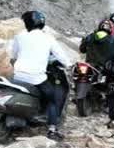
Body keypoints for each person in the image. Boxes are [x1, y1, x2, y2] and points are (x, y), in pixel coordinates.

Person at [11, 11, 71, 141]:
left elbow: (13, 56)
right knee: (53, 98)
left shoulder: (20, 36)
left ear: (27, 23)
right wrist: (69, 65)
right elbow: (63, 57)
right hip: (36, 78)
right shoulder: (48, 38)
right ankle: (52, 129)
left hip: (18, 76)